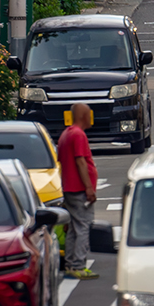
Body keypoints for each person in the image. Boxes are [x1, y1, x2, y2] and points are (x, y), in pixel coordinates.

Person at [57, 103, 99, 280]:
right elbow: (80, 162)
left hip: (69, 188)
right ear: (84, 116)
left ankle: (70, 265)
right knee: (83, 226)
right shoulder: (78, 135)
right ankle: (79, 266)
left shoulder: (66, 134)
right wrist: (89, 187)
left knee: (73, 228)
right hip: (79, 189)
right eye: (89, 114)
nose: (91, 117)